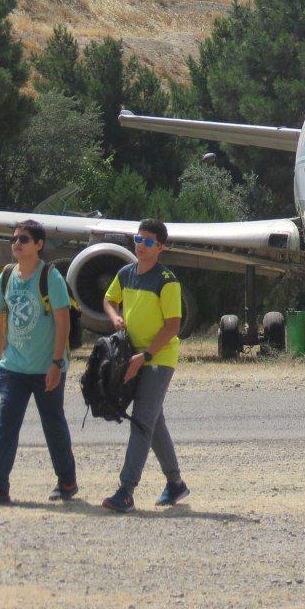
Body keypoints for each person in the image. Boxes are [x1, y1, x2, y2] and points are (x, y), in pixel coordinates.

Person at [0, 220, 77, 505]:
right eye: (15, 238)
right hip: (13, 368)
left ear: (39, 244)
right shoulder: (6, 276)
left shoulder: (50, 277)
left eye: (24, 239)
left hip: (45, 369)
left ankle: (67, 481)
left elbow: (62, 321)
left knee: (53, 425)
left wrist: (56, 364)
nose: (17, 243)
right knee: (7, 426)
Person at [100, 218, 189, 511]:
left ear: (161, 247)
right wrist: (114, 317)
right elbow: (108, 299)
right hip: (133, 355)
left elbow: (173, 326)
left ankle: (126, 491)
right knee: (153, 420)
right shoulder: (126, 273)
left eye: (149, 242)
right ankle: (176, 484)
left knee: (141, 421)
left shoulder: (167, 280)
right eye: (139, 240)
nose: (142, 246)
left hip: (158, 358)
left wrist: (145, 356)